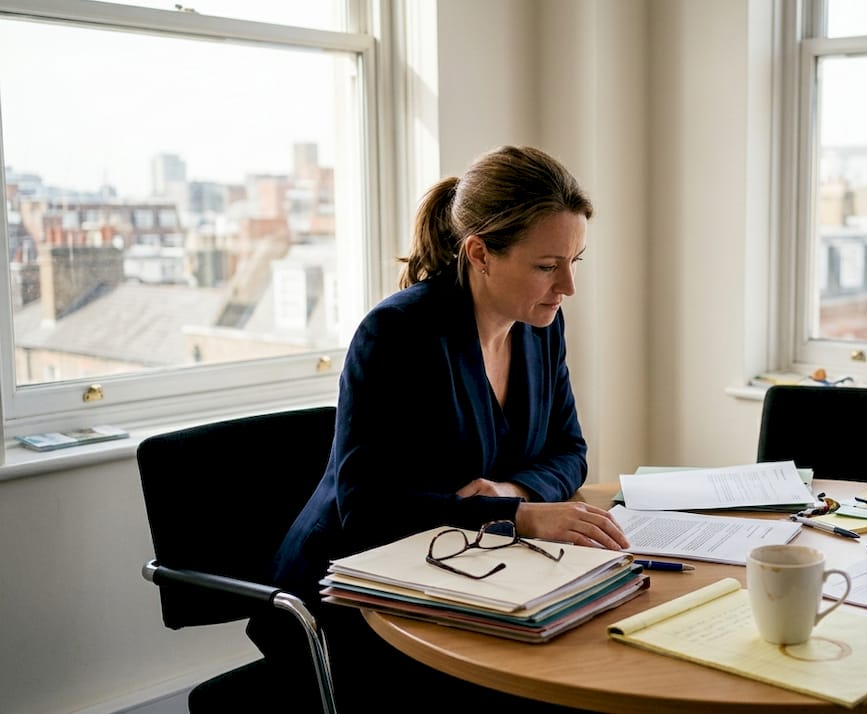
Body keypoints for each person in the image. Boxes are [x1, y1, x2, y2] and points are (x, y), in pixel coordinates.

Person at [249, 145, 629, 710]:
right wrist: (517, 516)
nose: (568, 286)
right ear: (480, 253)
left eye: (576, 260)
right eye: (548, 266)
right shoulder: (397, 335)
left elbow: (571, 451)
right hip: (346, 601)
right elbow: (369, 511)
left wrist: (512, 490)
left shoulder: (541, 326)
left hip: (464, 574)